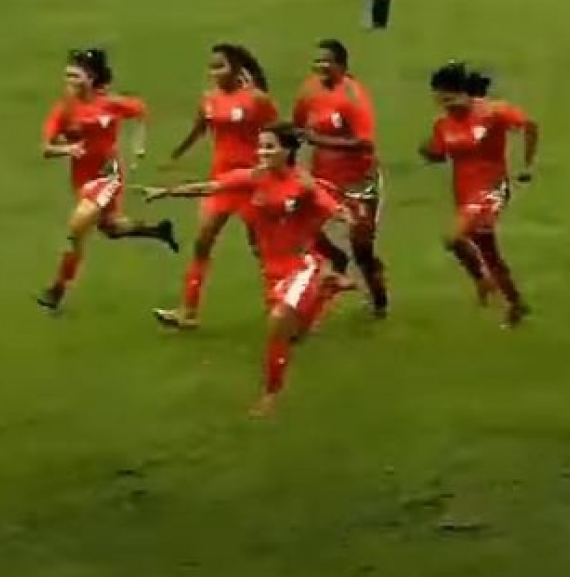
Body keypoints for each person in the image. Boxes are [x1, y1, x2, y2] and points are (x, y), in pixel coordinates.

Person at [142, 124, 354, 418]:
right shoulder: (253, 178)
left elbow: (326, 203)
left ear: (288, 150)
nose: (262, 152)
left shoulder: (302, 183)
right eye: (261, 146)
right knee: (295, 334)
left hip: (302, 264)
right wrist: (165, 192)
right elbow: (210, 187)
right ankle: (325, 288)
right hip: (271, 269)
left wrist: (342, 214)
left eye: (270, 147)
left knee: (278, 321)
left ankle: (270, 395)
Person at [37, 48, 180, 312]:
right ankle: (157, 231)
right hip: (81, 178)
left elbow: (141, 112)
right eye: (67, 76)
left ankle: (57, 289)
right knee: (111, 228)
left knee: (77, 227)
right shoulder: (64, 110)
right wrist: (67, 149)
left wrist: (138, 145)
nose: (69, 81)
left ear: (91, 78)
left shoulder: (110, 104)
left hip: (108, 175)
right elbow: (45, 148)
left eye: (75, 76)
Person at [154, 43, 279, 329]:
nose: (214, 73)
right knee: (202, 242)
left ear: (236, 69)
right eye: (211, 67)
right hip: (221, 182)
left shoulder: (256, 100)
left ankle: (280, 304)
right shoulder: (210, 99)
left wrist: (274, 169)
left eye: (220, 66)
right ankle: (188, 311)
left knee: (262, 248)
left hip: (252, 181)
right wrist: (176, 155)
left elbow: (279, 134)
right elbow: (199, 128)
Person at [420, 62, 538, 327]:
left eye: (446, 98)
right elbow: (439, 152)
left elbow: (529, 126)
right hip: (464, 193)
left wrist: (527, 166)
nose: (443, 104)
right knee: (488, 251)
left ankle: (482, 281)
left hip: (491, 189)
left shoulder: (493, 112)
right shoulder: (443, 124)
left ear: (461, 93)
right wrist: (428, 152)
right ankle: (516, 304)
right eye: (439, 99)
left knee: (453, 238)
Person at [292, 39, 390, 317]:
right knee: (302, 227)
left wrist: (317, 139)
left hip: (358, 181)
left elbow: (364, 142)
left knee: (362, 246)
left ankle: (379, 300)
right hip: (324, 177)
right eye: (317, 61)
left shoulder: (353, 97)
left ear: (342, 66)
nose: (321, 66)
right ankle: (335, 259)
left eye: (327, 61)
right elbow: (298, 127)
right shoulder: (309, 90)